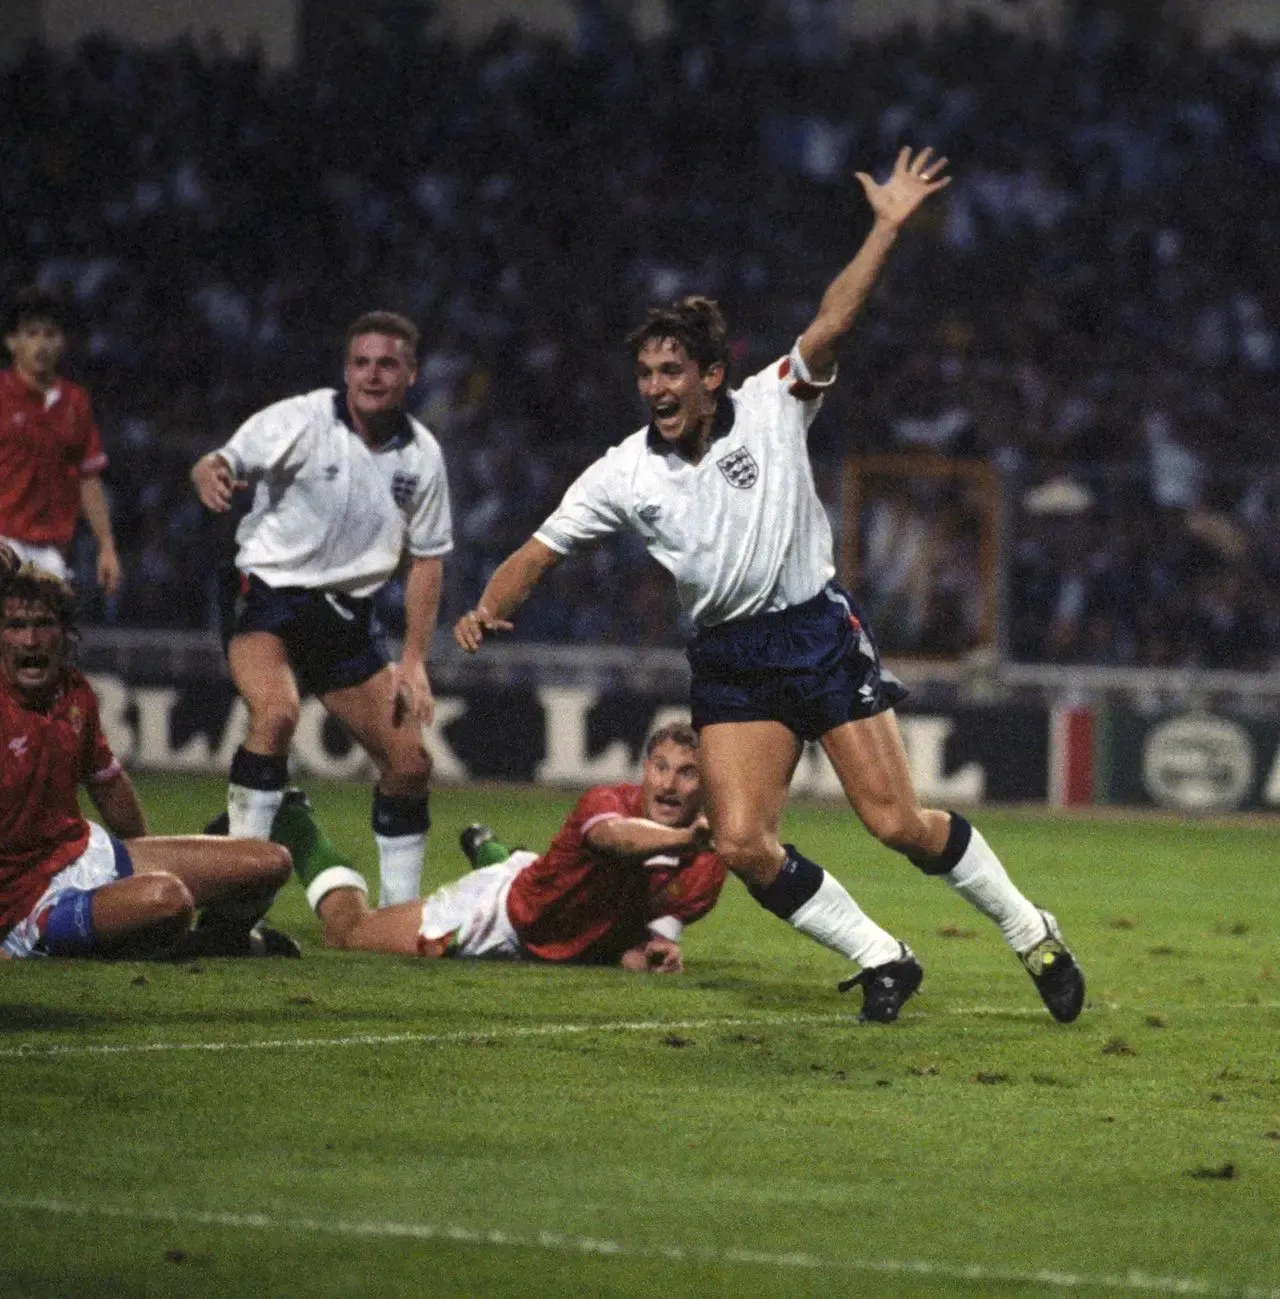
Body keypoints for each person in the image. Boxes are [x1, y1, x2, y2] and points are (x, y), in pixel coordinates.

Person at [453, 147, 1085, 1024]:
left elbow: (833, 320)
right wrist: (489, 606)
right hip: (729, 659)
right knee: (744, 843)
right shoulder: (622, 472)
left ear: (711, 376)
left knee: (897, 823)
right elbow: (539, 550)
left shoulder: (774, 401)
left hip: (814, 635)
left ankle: (1031, 929)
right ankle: (883, 957)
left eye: (671, 372)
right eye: (645, 375)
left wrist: (887, 229)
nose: (655, 388)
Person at [190, 310, 453, 907]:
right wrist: (212, 473)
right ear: (345, 370)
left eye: (387, 363)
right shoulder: (304, 418)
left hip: (346, 619)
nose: (372, 375)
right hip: (267, 597)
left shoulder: (422, 457)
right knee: (277, 715)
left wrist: (414, 662)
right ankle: (238, 900)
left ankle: (397, 914)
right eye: (361, 363)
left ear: (411, 374)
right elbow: (221, 459)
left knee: (410, 762)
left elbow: (428, 560)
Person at [0, 550, 295, 960]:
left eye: (43, 624)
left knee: (269, 862)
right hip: (26, 905)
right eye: (16, 626)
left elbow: (108, 782)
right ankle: (166, 940)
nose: (30, 639)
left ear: (63, 634)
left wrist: (143, 862)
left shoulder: (74, 693)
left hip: (85, 855)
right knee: (167, 899)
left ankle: (208, 939)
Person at [271, 721, 726, 971]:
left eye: (687, 773)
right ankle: (296, 822)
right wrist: (686, 839)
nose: (669, 784)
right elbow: (617, 840)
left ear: (707, 784)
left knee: (545, 873)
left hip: (562, 912)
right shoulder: (606, 805)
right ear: (644, 769)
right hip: (499, 916)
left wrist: (656, 953)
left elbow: (640, 939)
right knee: (347, 933)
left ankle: (494, 849)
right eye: (661, 767)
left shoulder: (707, 867)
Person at [0, 287, 122, 596]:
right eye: (31, 334)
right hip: (3, 541)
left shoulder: (74, 403)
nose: (41, 344)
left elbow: (88, 477)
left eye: (50, 334)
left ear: (62, 343)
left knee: (46, 641)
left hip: (51, 551)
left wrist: (106, 546)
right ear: (11, 342)